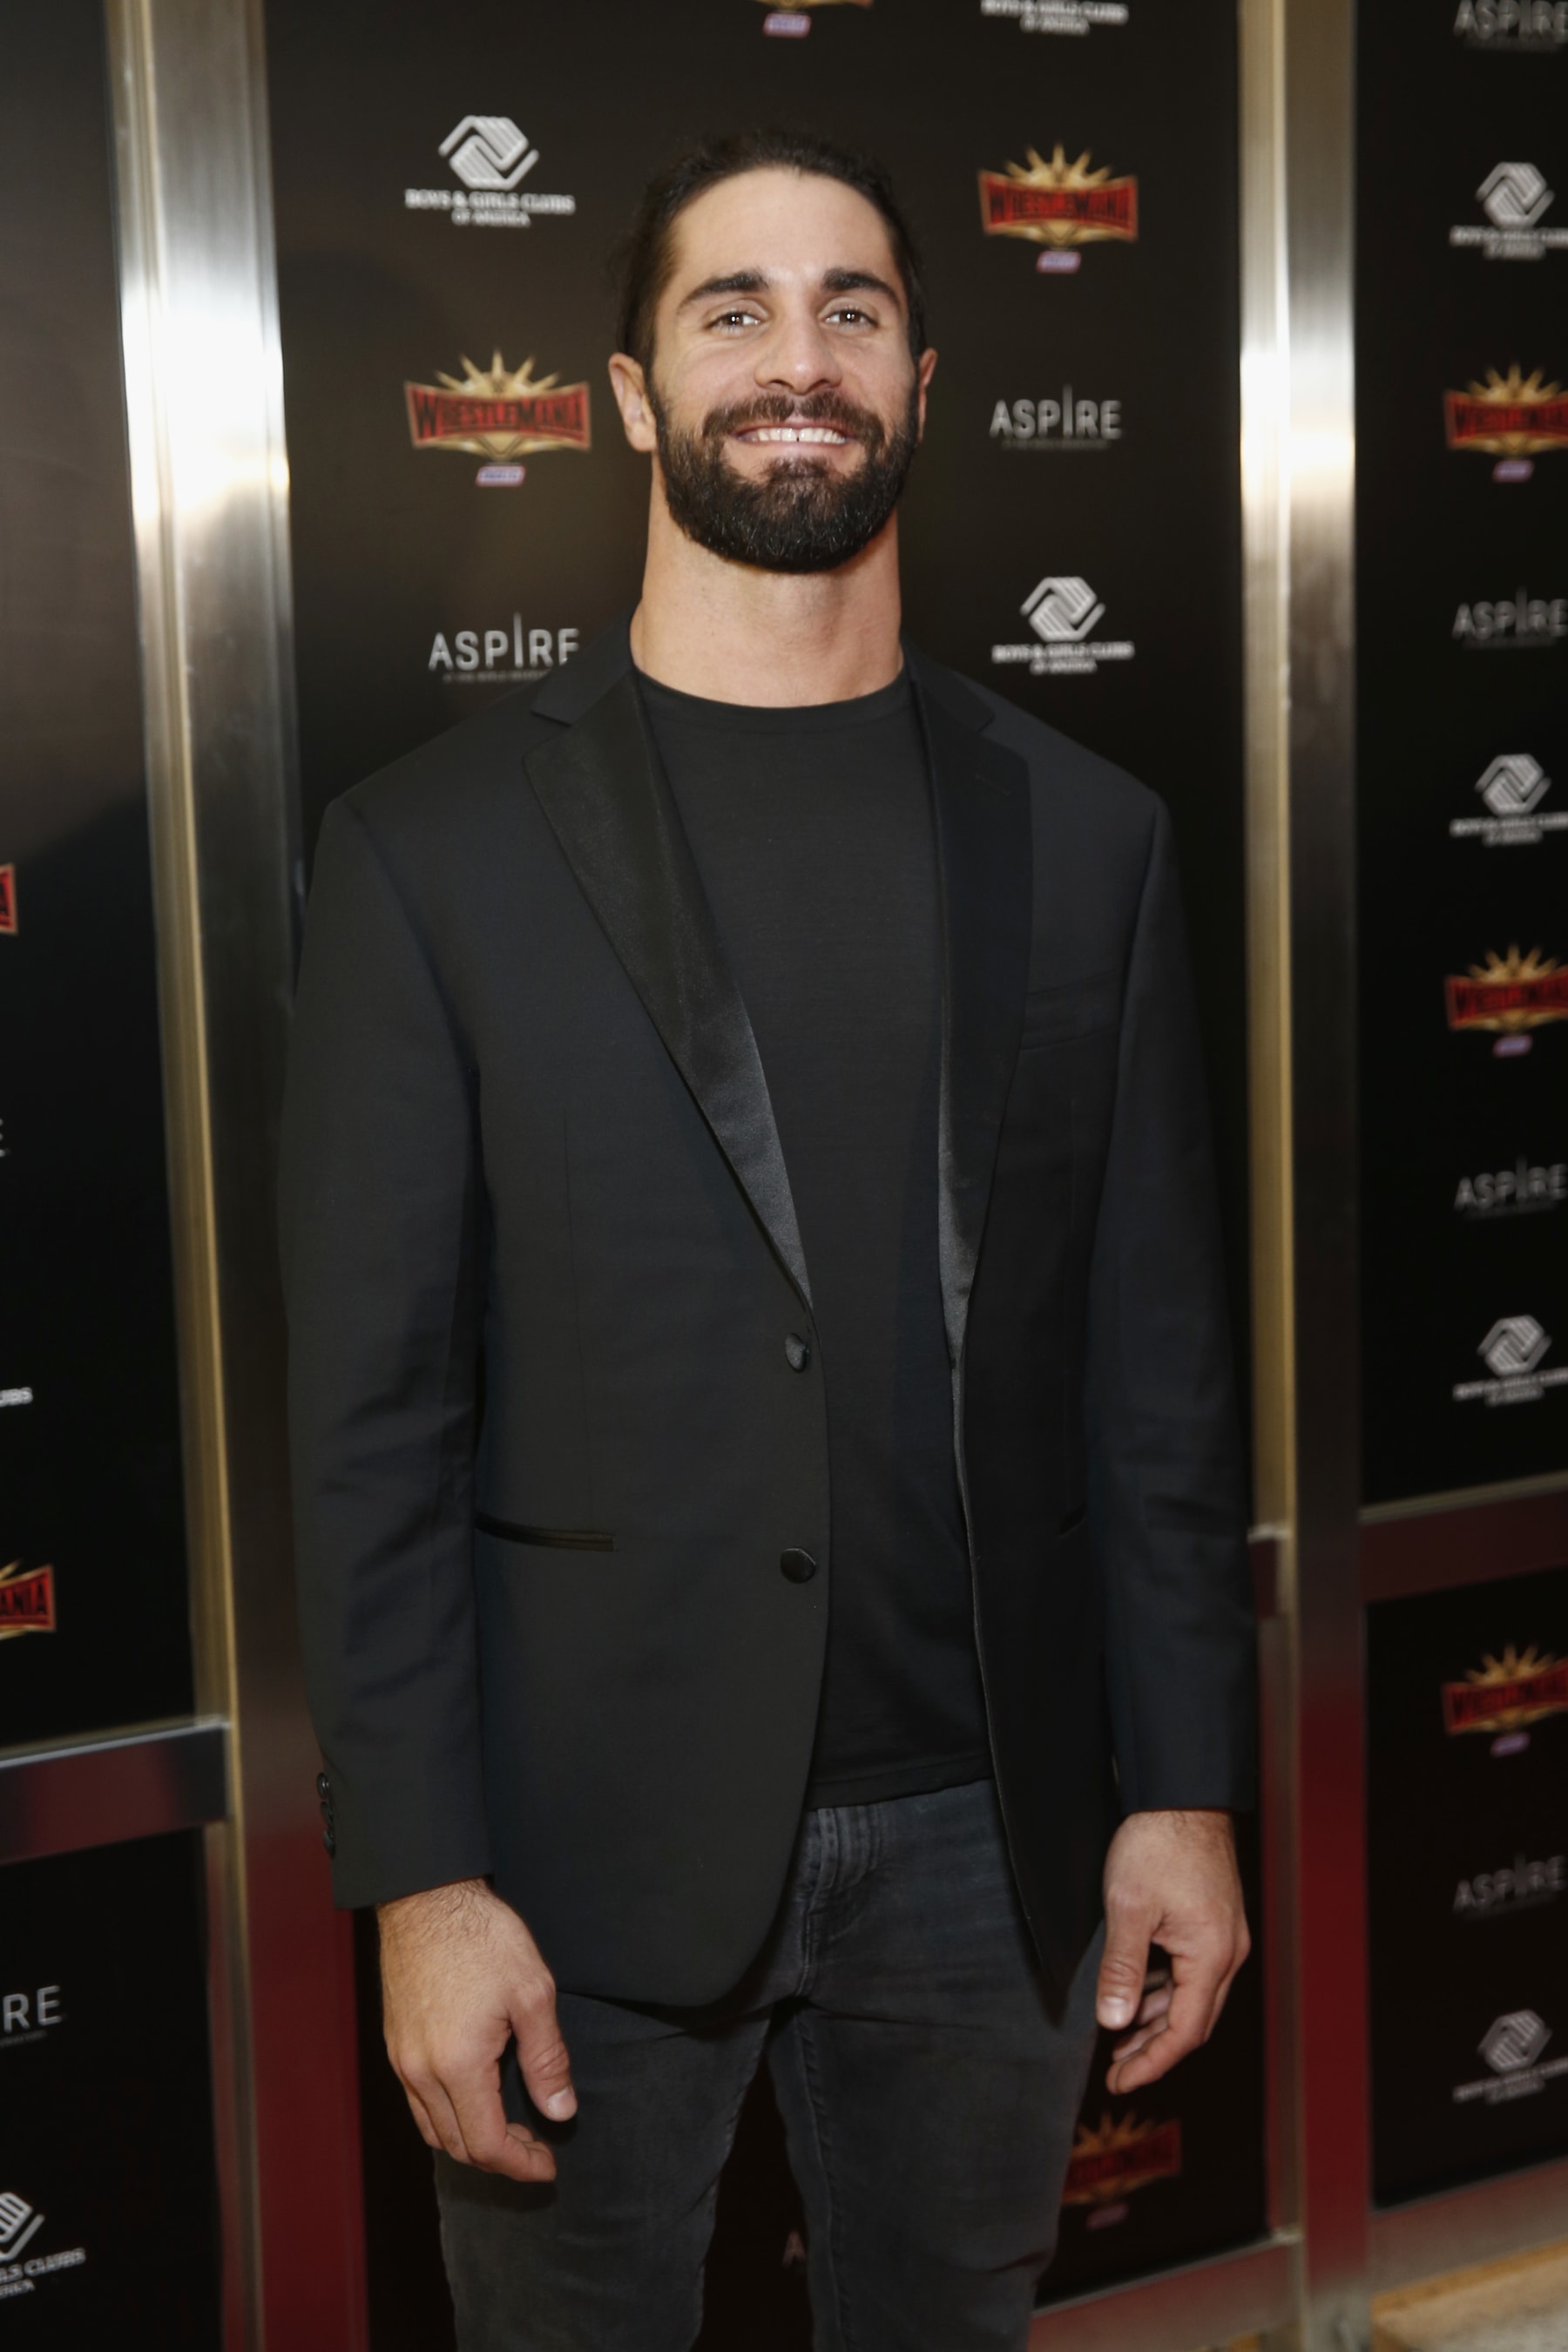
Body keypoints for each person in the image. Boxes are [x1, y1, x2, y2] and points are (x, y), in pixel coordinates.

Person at [279, 128, 1256, 2352]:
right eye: (732, 310)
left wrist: (1182, 1793)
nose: (793, 362)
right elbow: (371, 1424)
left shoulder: (1091, 837)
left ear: (926, 380)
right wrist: (422, 1883)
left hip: (987, 1844)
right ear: (628, 395)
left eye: (853, 310)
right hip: (574, 1866)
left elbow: (1160, 1372)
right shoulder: (429, 854)